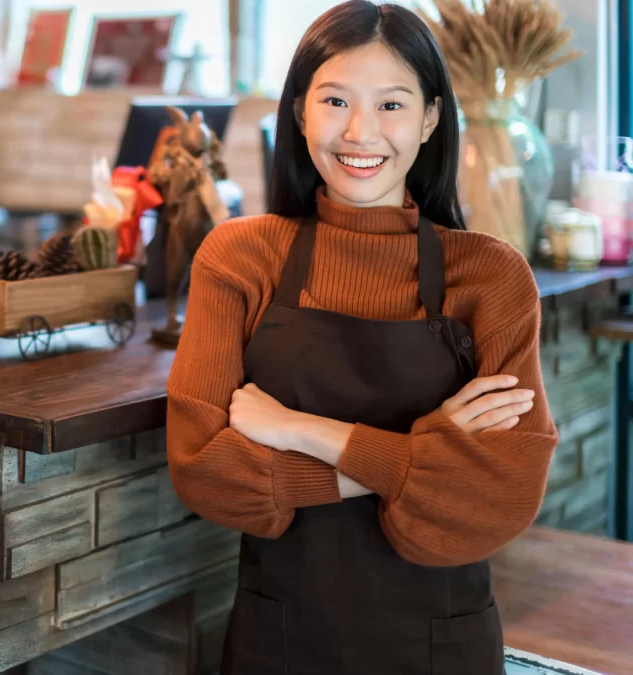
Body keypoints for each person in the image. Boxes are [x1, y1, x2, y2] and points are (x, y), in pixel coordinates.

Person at [165, 2, 559, 674]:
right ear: (299, 111)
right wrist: (425, 455)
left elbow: (501, 495)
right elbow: (205, 470)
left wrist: (296, 428)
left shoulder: (490, 276)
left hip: (441, 647)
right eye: (336, 99)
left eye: (392, 105)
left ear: (431, 118)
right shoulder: (237, 258)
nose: (359, 131)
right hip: (282, 642)